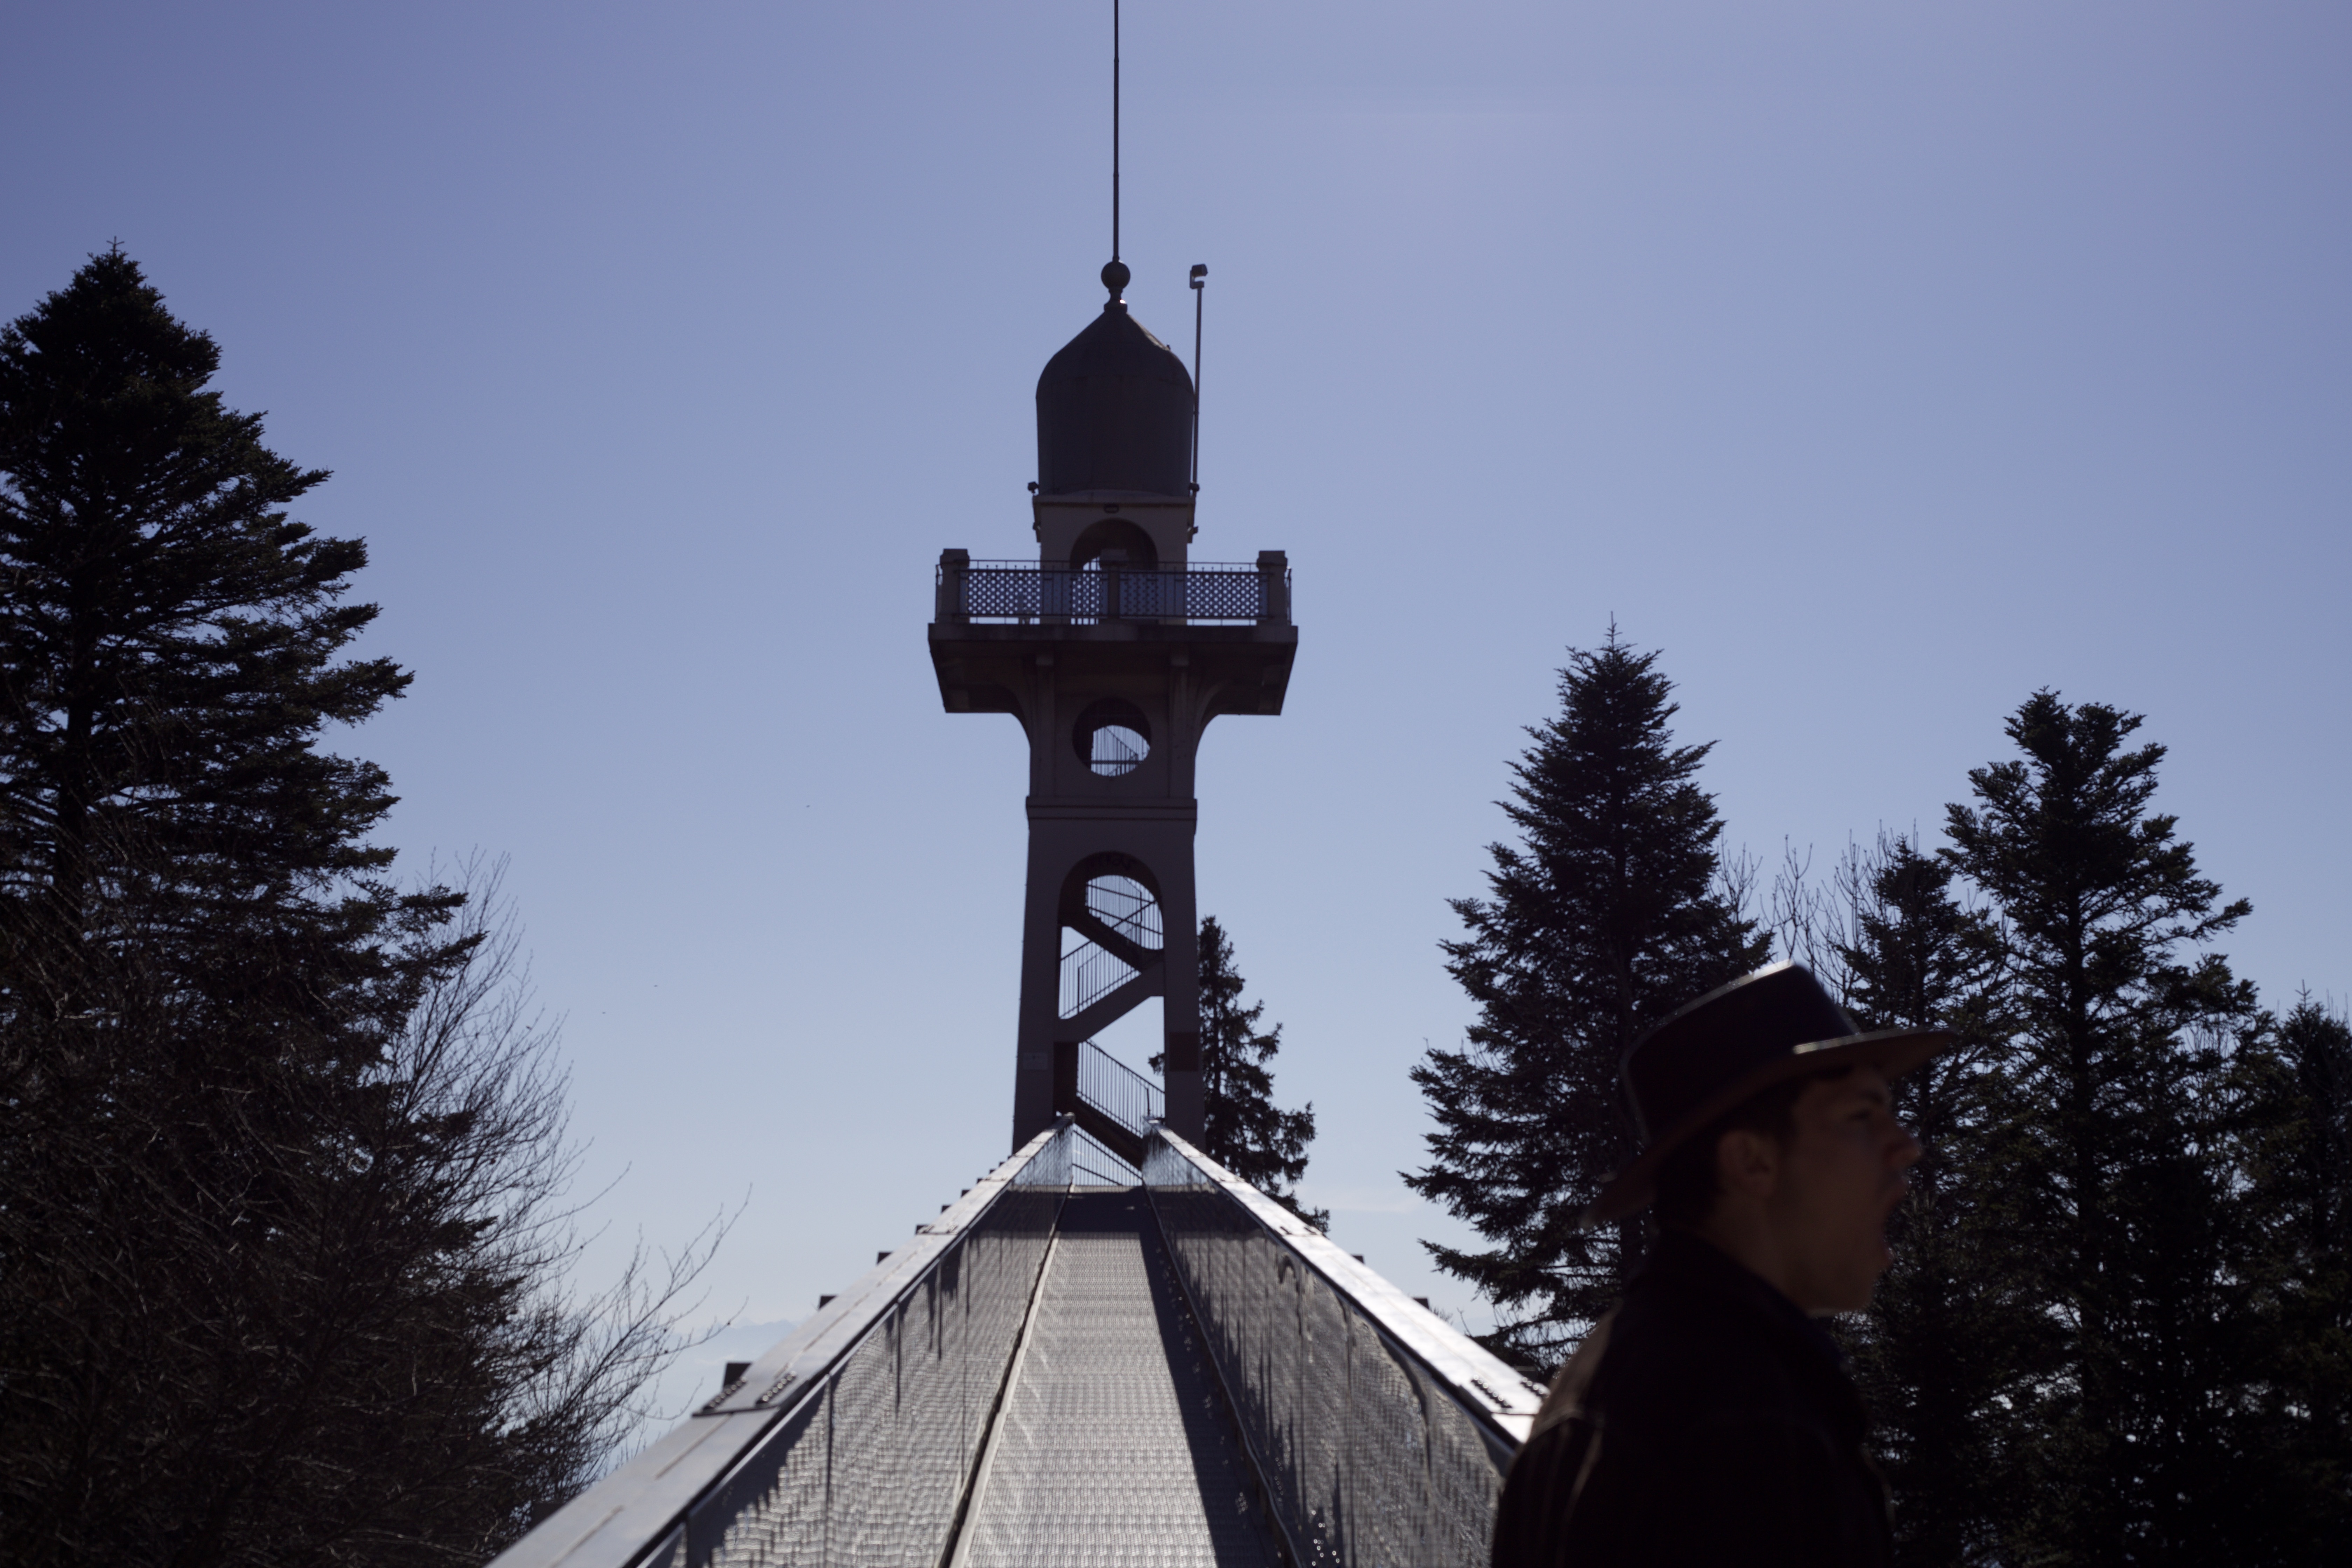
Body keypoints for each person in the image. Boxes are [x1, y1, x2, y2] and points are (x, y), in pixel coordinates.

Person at [1488, 962, 1949, 1568]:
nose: (1907, 1146)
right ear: (1752, 1162)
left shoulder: (1608, 1375)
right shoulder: (1743, 1423)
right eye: (1861, 1117)